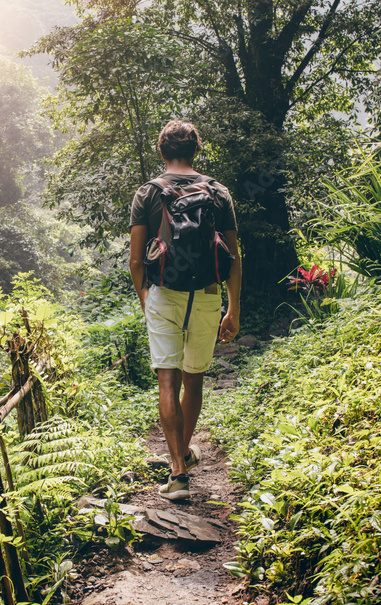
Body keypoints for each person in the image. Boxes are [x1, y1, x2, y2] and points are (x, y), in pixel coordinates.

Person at [129, 119, 242, 500]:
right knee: (194, 378)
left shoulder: (147, 193)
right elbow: (234, 257)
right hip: (208, 294)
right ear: (196, 150)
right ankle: (182, 458)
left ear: (162, 150)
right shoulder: (218, 192)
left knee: (167, 380)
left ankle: (177, 471)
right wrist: (233, 309)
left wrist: (147, 300)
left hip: (163, 292)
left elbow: (135, 261)